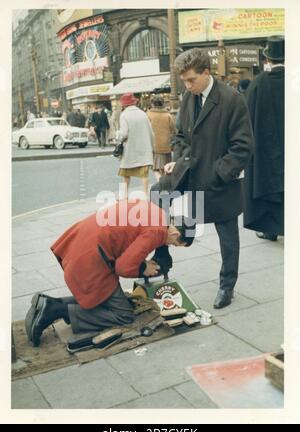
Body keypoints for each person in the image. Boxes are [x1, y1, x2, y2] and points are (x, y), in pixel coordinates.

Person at [151, 47, 254, 309]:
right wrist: (178, 157)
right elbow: (179, 136)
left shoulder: (232, 99)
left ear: (206, 73)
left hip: (218, 182)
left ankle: (226, 285)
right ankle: (162, 257)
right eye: (184, 81)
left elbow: (243, 147)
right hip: (189, 172)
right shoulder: (188, 97)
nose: (187, 86)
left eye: (191, 80)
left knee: (227, 235)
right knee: (157, 193)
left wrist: (219, 172)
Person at [24, 200, 193, 346]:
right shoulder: (157, 231)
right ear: (175, 233)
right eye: (174, 244)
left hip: (82, 239)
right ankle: (56, 311)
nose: (170, 245)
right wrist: (143, 268)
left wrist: (146, 258)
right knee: (124, 314)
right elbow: (123, 267)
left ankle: (49, 303)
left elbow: (132, 235)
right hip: (92, 258)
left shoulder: (157, 212)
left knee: (106, 299)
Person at [243, 36, 284, 242]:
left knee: (270, 187)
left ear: (267, 60)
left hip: (267, 149)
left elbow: (246, 118)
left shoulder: (258, 84)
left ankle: (271, 229)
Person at [116, 92, 154, 198]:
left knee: (126, 174)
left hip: (130, 149)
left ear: (124, 104)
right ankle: (145, 195)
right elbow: (151, 131)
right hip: (144, 148)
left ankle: (125, 195)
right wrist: (152, 146)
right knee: (144, 174)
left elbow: (124, 133)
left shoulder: (124, 115)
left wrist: (118, 136)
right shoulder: (143, 114)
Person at [147, 95, 175, 181]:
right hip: (166, 146)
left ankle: (161, 185)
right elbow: (173, 130)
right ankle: (165, 184)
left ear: (152, 104)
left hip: (154, 146)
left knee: (155, 168)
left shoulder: (148, 115)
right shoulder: (168, 115)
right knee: (165, 168)